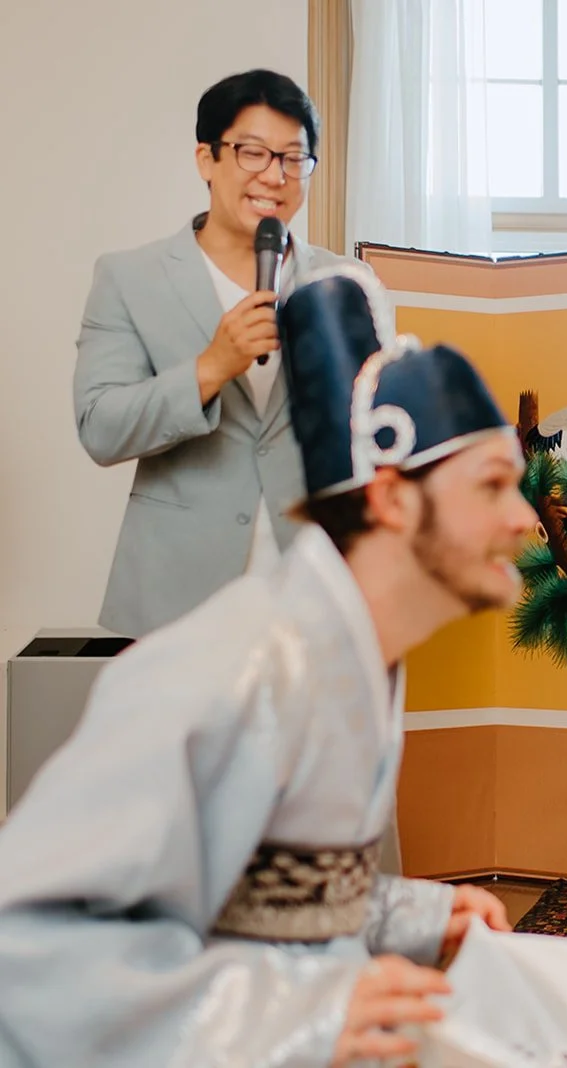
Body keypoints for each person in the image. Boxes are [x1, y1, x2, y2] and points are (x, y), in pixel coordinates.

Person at [0, 267, 534, 1067]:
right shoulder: (231, 667)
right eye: (493, 486)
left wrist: (419, 918)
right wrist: (303, 1018)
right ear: (391, 499)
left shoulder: (353, 654)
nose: (524, 518)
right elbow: (30, 947)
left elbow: (264, 897)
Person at [75, 68, 377, 638]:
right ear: (206, 159)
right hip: (178, 595)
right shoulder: (129, 278)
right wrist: (211, 367)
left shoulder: (345, 282)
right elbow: (100, 428)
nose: (275, 176)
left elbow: (373, 431)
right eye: (253, 153)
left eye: (294, 158)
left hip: (317, 586)